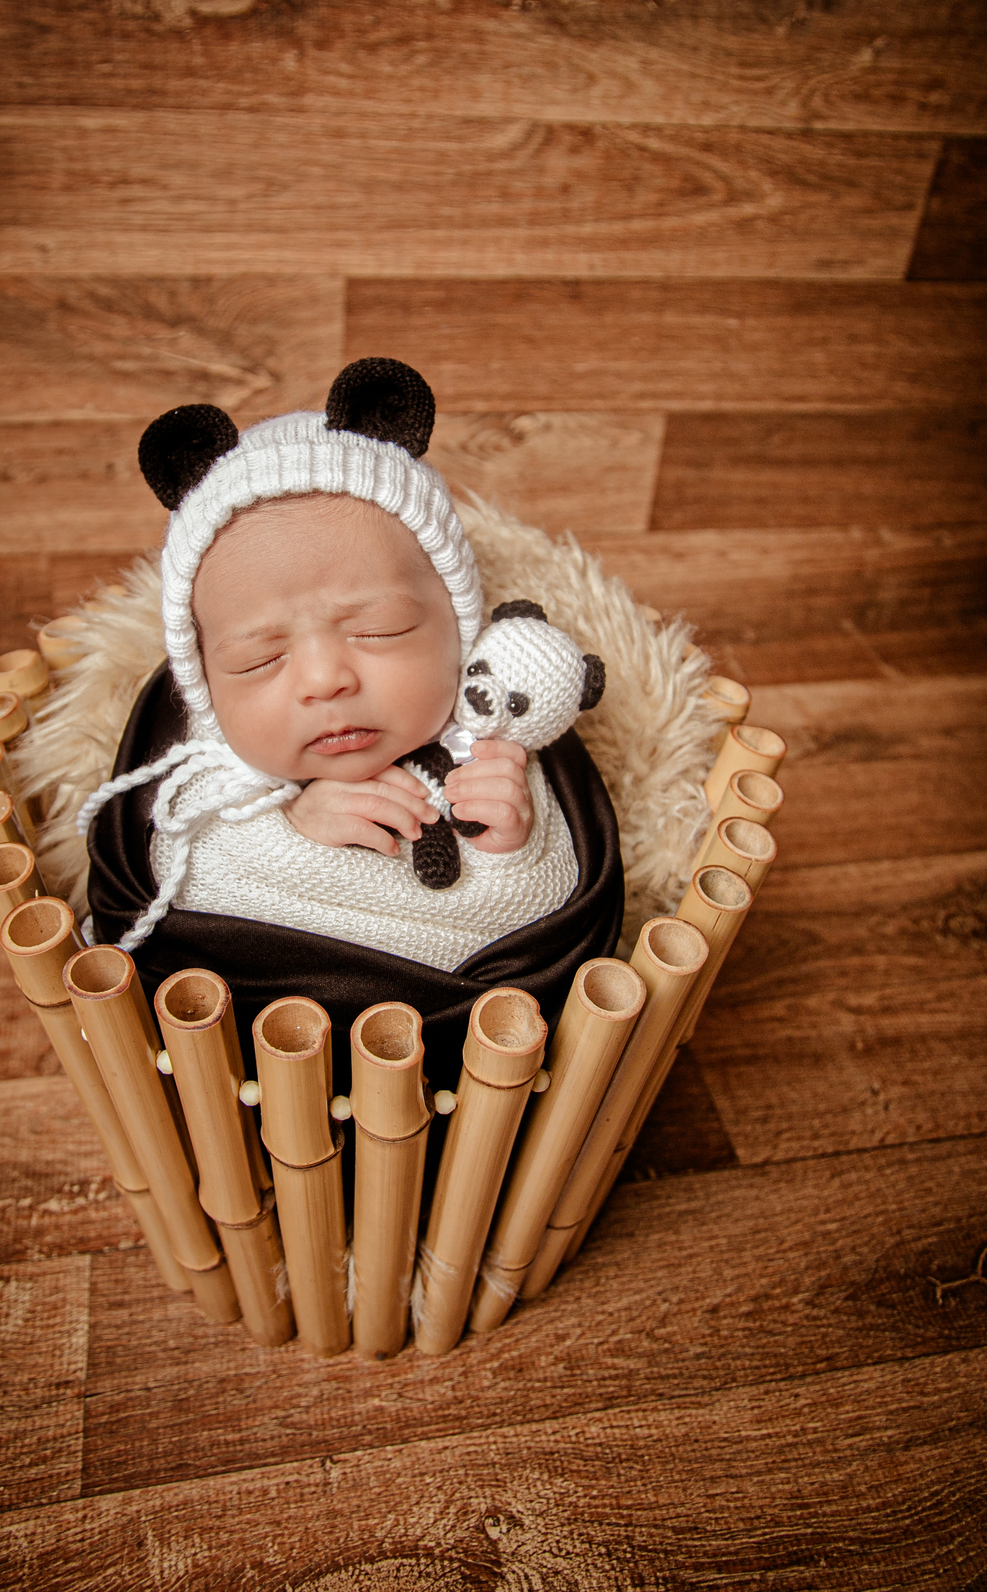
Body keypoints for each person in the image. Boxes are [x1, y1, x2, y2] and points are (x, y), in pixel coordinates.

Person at [85, 358, 623, 1090]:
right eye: (259, 658)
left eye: (379, 629)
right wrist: (287, 834)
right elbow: (174, 894)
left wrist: (513, 854)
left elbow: (551, 933)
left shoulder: (499, 738)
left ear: (460, 630)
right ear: (205, 684)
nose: (323, 679)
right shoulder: (202, 775)